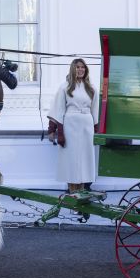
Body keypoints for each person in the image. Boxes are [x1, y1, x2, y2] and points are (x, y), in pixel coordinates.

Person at [47, 59, 98, 194]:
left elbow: (95, 110)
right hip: (70, 125)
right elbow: (58, 109)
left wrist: (97, 131)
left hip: (87, 126)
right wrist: (55, 131)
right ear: (72, 69)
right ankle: (72, 196)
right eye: (77, 67)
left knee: (85, 162)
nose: (80, 70)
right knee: (71, 162)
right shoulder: (65, 87)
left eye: (83, 67)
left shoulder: (92, 88)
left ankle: (82, 195)